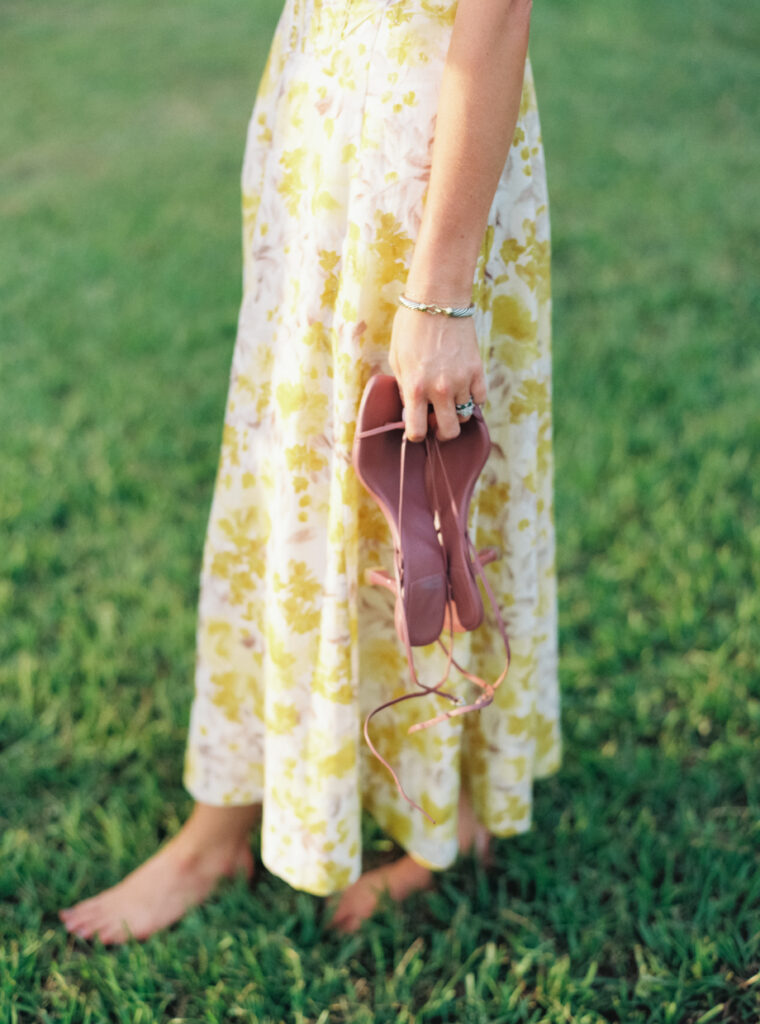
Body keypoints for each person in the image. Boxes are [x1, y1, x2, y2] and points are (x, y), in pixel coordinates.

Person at [60, 0, 560, 943]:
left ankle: (443, 808)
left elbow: (494, 17)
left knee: (418, 485)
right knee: (289, 483)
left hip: (415, 159)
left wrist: (442, 294)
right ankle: (233, 820)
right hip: (317, 102)